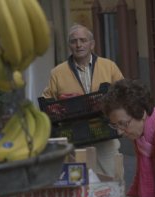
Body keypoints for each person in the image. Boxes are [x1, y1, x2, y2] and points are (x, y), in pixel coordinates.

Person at [42, 24, 124, 177]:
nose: (78, 45)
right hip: (75, 138)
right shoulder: (57, 73)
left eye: (83, 40)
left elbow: (123, 94)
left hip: (106, 134)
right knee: (79, 185)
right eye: (74, 41)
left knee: (111, 181)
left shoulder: (109, 66)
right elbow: (48, 104)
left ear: (91, 44)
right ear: (69, 46)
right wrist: (60, 108)